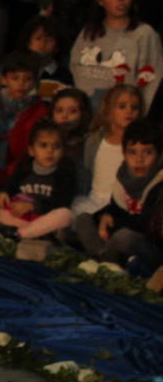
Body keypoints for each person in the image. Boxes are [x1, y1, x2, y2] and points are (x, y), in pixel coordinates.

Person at [70, 0, 163, 115]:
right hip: (87, 113)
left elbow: (151, 83)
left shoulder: (144, 34)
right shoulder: (89, 32)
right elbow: (76, 69)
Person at [73, 119, 163, 265]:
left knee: (123, 237)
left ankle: (104, 260)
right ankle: (103, 258)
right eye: (132, 152)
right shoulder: (124, 176)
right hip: (119, 233)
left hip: (147, 243)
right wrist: (105, 215)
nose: (139, 159)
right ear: (124, 153)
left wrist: (114, 223)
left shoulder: (159, 183)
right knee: (83, 219)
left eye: (148, 152)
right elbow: (116, 207)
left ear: (158, 155)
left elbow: (146, 223)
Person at [0, 120, 74, 240]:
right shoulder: (24, 167)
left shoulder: (65, 172)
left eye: (56, 146)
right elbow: (10, 186)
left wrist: (34, 206)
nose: (50, 151)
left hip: (44, 219)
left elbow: (61, 202)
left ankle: (19, 234)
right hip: (21, 216)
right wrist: (4, 193)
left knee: (66, 214)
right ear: (31, 150)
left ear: (63, 151)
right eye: (43, 145)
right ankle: (22, 231)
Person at [0, 50, 48, 190]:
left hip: (20, 174)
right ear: (4, 79)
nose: (21, 83)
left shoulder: (39, 110)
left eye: (27, 79)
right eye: (15, 78)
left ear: (35, 81)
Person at [77, 83, 143, 219]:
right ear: (109, 109)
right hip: (94, 202)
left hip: (123, 206)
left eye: (134, 107)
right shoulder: (94, 141)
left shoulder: (141, 145)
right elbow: (86, 174)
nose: (129, 111)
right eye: (122, 107)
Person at [51, 85, 92, 168]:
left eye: (72, 111)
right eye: (59, 110)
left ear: (84, 114)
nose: (64, 116)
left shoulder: (89, 143)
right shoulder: (45, 138)